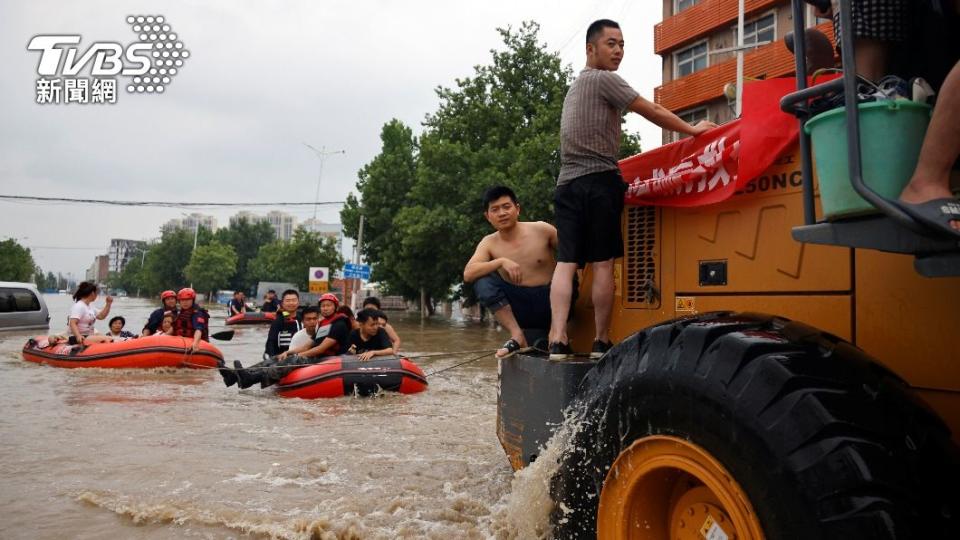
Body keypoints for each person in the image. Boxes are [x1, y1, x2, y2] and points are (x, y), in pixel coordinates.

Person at [548, 19, 716, 359]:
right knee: (604, 263)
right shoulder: (604, 80)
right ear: (590, 49)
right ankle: (601, 341)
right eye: (611, 43)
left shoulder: (574, 88)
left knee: (566, 264)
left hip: (566, 184)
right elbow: (650, 109)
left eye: (622, 44)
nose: (619, 51)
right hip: (599, 182)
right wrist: (693, 131)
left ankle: (557, 339)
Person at [463, 186, 559, 358]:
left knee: (567, 271)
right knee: (482, 280)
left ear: (517, 208)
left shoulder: (542, 230)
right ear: (488, 216)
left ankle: (558, 331)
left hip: (551, 302)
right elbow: (468, 273)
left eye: (506, 207)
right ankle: (517, 335)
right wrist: (500, 261)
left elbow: (574, 254)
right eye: (495, 209)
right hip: (520, 307)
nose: (502, 213)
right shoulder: (489, 242)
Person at [224, 293, 351, 389]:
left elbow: (321, 348)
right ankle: (236, 376)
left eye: (329, 305)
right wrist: (288, 352)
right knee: (278, 358)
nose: (325, 308)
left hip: (329, 360)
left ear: (335, 307)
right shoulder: (322, 324)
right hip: (316, 355)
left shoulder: (339, 324)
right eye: (323, 306)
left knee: (293, 360)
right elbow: (309, 344)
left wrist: (296, 355)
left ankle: (251, 378)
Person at [264, 289, 302, 356]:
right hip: (282, 358)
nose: (291, 303)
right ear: (282, 303)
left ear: (298, 302)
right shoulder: (278, 321)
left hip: (302, 355)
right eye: (288, 301)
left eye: (294, 300)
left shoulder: (303, 318)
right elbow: (271, 342)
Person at [170, 288, 208, 352]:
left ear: (192, 300)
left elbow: (198, 330)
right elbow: (173, 328)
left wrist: (195, 343)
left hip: (193, 341)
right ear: (179, 302)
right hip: (179, 342)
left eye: (187, 300)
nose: (185, 302)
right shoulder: (179, 313)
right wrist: (163, 335)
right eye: (182, 300)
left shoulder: (197, 313)